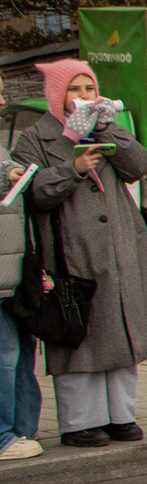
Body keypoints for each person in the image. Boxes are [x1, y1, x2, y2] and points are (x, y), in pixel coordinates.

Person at [13, 58, 147, 445]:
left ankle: (120, 415)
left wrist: (105, 128)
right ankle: (79, 422)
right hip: (70, 251)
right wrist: (72, 163)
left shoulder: (105, 127)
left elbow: (139, 165)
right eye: (74, 89)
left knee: (121, 329)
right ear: (57, 94)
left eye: (89, 88)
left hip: (119, 247)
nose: (84, 96)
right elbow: (33, 192)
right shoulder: (35, 137)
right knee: (79, 335)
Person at [0, 154, 45, 459]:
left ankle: (20, 429)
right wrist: (7, 174)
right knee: (6, 355)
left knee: (19, 353)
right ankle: (4, 436)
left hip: (13, 276)